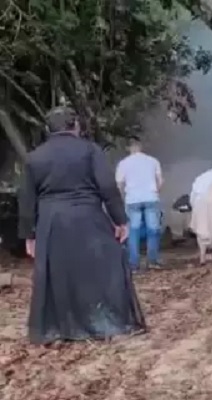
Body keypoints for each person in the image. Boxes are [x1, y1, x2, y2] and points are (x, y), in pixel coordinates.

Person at [18, 106, 146, 344]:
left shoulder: (34, 157)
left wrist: (29, 235)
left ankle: (59, 328)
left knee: (59, 273)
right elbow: (107, 187)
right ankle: (105, 322)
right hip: (88, 215)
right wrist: (120, 219)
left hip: (51, 221)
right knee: (101, 267)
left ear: (48, 129)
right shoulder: (90, 150)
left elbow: (27, 200)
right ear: (75, 125)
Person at [115, 136, 163, 271]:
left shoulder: (123, 163)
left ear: (128, 148)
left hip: (132, 199)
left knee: (133, 231)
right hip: (151, 197)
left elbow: (119, 184)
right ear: (141, 146)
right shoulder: (153, 161)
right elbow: (160, 181)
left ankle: (134, 264)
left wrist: (123, 197)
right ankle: (152, 261)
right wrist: (156, 192)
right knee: (153, 230)